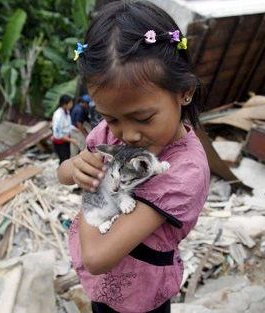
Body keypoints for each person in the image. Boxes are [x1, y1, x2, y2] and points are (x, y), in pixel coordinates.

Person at [57, 2, 210, 312]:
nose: (127, 135)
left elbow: (98, 257)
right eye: (110, 118)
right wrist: (76, 167)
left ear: (185, 92)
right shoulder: (109, 135)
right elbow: (62, 173)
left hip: (140, 295)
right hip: (104, 287)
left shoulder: (183, 171)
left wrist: (92, 188)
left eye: (142, 118)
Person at [52, 94, 78, 164]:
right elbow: (57, 135)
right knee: (63, 160)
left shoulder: (67, 111)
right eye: (70, 103)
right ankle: (61, 174)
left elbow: (67, 125)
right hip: (60, 142)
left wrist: (75, 129)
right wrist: (71, 140)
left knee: (67, 158)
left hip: (66, 140)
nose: (72, 104)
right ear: (65, 104)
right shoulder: (58, 115)